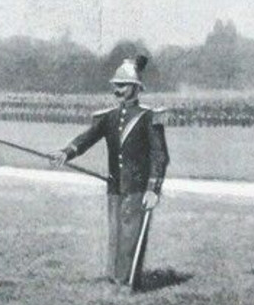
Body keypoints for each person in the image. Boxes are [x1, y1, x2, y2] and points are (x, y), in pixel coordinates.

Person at [50, 55, 169, 290]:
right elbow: (88, 137)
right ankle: (114, 279)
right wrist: (67, 152)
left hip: (137, 187)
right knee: (116, 233)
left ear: (135, 88)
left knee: (131, 234)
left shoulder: (147, 117)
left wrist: (153, 188)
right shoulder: (110, 117)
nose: (116, 90)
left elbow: (159, 156)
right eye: (115, 85)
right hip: (115, 185)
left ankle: (127, 281)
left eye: (122, 86)